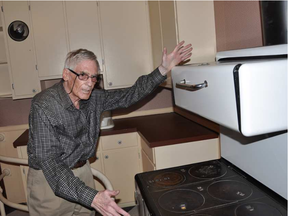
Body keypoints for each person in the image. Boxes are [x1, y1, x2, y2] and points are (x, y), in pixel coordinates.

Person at [26, 41, 192, 216]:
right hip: (49, 182)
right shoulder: (44, 105)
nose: (90, 83)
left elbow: (129, 95)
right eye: (83, 75)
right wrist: (92, 197)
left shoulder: (93, 98)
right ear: (66, 74)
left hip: (82, 171)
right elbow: (51, 163)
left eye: (94, 77)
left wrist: (162, 70)